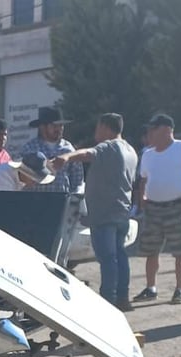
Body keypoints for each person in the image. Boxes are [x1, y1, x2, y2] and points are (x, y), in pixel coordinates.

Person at [50, 113, 138, 310]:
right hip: (123, 211)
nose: (96, 132)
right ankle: (123, 297)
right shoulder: (131, 150)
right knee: (120, 256)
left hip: (104, 214)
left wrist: (66, 157)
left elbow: (88, 154)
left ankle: (108, 301)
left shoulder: (108, 147)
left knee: (108, 258)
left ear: (106, 128)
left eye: (98, 127)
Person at [132, 114, 181, 305]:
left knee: (180, 251)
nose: (149, 134)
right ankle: (151, 288)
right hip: (153, 208)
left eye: (153, 129)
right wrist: (141, 199)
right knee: (151, 250)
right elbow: (143, 179)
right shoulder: (148, 154)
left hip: (177, 206)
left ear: (166, 130)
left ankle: (179, 290)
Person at [20, 107, 84, 193]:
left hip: (61, 202)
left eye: (61, 125)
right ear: (42, 127)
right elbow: (20, 179)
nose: (59, 129)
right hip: (35, 202)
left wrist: (74, 199)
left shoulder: (68, 149)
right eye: (54, 125)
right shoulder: (29, 149)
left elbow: (77, 180)